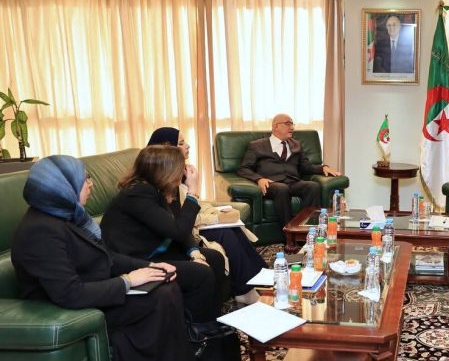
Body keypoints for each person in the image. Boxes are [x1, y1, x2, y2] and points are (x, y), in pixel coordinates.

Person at [11, 156, 199, 361]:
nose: (91, 184)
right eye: (84, 180)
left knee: (165, 284)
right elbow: (69, 293)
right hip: (64, 309)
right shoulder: (40, 230)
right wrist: (127, 281)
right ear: (62, 187)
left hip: (93, 290)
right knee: (160, 297)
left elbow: (106, 259)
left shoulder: (67, 216)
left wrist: (151, 266)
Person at [100, 145, 228, 322]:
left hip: (156, 251)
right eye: (180, 169)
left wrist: (194, 252)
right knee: (201, 273)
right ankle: (196, 328)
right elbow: (179, 230)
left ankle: (214, 317)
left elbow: (178, 225)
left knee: (214, 258)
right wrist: (192, 192)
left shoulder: (158, 189)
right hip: (135, 260)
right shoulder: (137, 193)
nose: (183, 173)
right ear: (166, 172)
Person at [147, 127, 267, 305]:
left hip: (191, 222)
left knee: (233, 227)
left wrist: (215, 213)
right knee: (224, 233)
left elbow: (196, 204)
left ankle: (259, 280)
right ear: (167, 147)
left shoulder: (183, 171)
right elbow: (177, 216)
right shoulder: (160, 180)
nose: (188, 146)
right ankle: (245, 291)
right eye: (181, 143)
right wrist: (213, 218)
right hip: (183, 231)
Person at [237, 113, 342, 225]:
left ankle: (308, 227)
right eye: (288, 124)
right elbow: (244, 168)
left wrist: (323, 168)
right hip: (271, 184)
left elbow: (306, 167)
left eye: (292, 124)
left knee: (312, 186)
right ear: (276, 126)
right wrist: (259, 179)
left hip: (292, 182)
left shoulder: (296, 145)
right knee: (282, 188)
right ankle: (289, 230)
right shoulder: (257, 145)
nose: (292, 127)